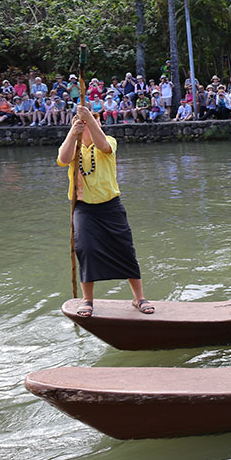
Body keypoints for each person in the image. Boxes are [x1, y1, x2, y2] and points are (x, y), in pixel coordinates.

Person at [57, 105, 153, 318]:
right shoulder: (74, 148)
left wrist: (89, 119)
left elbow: (102, 145)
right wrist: (74, 132)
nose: (93, 124)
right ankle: (87, 299)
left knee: (126, 248)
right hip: (83, 208)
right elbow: (63, 159)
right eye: (88, 122)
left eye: (95, 121)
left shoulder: (109, 141)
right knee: (86, 248)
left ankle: (139, 298)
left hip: (110, 205)